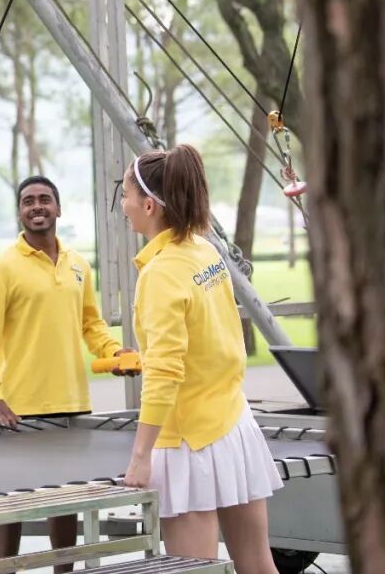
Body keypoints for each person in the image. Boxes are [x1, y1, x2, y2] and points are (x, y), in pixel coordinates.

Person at [119, 144, 282, 573]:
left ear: (149, 206)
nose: (123, 205)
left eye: (126, 195)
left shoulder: (160, 272)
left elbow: (165, 372)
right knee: (258, 563)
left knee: (193, 569)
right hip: (233, 424)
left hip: (188, 441)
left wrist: (141, 455)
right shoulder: (204, 250)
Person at [0, 175, 128, 570]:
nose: (37, 206)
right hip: (16, 406)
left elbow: (91, 324)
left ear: (58, 208)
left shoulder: (78, 265)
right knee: (11, 501)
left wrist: (114, 352)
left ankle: (64, 570)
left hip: (71, 401)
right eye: (28, 201)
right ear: (19, 212)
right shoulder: (0, 267)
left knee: (65, 500)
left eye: (44, 199)